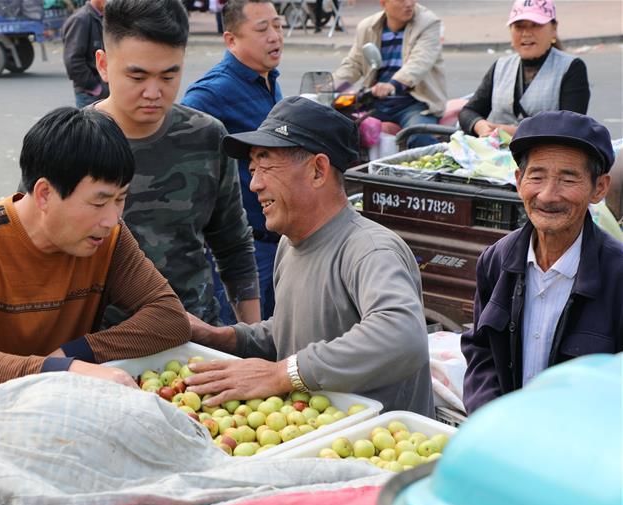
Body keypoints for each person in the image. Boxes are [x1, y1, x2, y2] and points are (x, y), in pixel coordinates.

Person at [0, 107, 191, 391]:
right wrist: (63, 369)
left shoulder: (110, 238)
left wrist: (73, 354)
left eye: (120, 199)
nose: (112, 218)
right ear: (45, 194)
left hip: (50, 404)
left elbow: (169, 317)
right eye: (98, 202)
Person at [185, 96, 433, 415]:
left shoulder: (370, 249)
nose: (256, 184)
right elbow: (294, 332)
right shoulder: (290, 244)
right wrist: (222, 337)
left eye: (266, 166)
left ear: (318, 171)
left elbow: (402, 336)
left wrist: (282, 374)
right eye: (252, 169)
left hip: (377, 453)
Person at [95, 0, 261, 327]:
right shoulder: (69, 144)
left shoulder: (207, 137)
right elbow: (34, 253)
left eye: (169, 75)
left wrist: (252, 340)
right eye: (137, 76)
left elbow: (234, 248)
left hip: (194, 339)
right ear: (103, 64)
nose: (154, 92)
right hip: (97, 349)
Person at [461, 111, 623, 414]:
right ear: (519, 181)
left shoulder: (617, 274)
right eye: (536, 176)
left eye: (568, 178)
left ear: (599, 188)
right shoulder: (496, 261)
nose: (548, 195)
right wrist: (491, 418)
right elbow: (481, 349)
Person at [182, 0, 283, 323]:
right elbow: (180, 149)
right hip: (246, 248)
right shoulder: (212, 93)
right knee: (242, 346)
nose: (274, 36)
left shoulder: (268, 79)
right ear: (231, 40)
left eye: (278, 25)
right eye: (262, 29)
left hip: (278, 241)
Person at [459, 0, 589, 138]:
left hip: (546, 155)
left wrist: (511, 132)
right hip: (496, 155)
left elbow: (570, 127)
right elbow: (468, 112)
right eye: (519, 27)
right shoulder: (500, 67)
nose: (526, 33)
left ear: (554, 29)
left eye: (536, 25)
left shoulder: (571, 68)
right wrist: (480, 126)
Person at [333, 0, 446, 149]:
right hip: (375, 101)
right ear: (383, 3)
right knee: (339, 128)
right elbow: (353, 64)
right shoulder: (367, 27)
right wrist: (330, 86)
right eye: (401, 0)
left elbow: (419, 62)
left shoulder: (428, 22)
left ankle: (432, 170)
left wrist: (393, 84)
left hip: (414, 102)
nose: (409, 4)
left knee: (419, 137)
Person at [62, 0, 109, 108]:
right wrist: (96, 88)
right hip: (90, 95)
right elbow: (73, 61)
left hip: (103, 92)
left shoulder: (102, 17)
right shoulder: (80, 19)